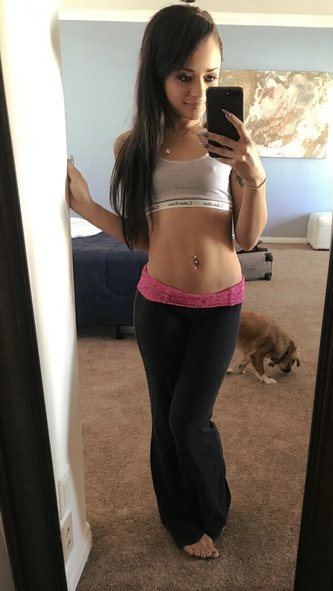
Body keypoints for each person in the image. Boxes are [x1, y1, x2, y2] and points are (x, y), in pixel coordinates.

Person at [66, 3, 267, 560]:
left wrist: (254, 176)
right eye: (184, 76)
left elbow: (247, 237)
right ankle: (178, 517)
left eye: (210, 77)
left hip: (221, 303)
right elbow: (142, 236)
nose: (199, 91)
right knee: (165, 419)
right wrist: (87, 207)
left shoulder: (228, 145)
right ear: (157, 74)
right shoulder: (132, 146)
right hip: (158, 303)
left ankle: (213, 506)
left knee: (190, 420)